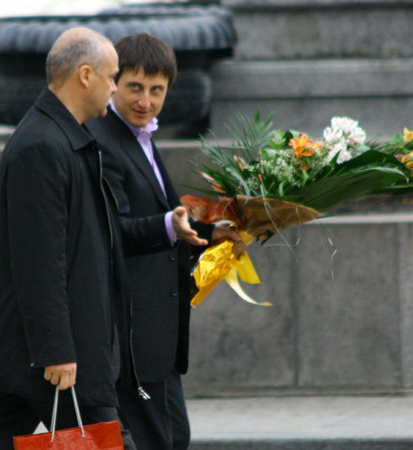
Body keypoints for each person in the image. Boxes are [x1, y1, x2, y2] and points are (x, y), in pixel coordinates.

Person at [0, 27, 137, 449]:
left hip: (47, 351)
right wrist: (56, 350)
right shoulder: (42, 146)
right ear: (86, 75)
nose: (115, 89)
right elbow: (39, 259)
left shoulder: (61, 139)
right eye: (112, 77)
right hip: (56, 357)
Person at [86, 33, 240, 450]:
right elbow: (112, 231)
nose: (146, 102)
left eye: (157, 91)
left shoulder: (141, 137)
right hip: (132, 336)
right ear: (114, 82)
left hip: (159, 336)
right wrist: (170, 226)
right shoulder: (102, 142)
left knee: (173, 438)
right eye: (135, 87)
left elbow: (171, 219)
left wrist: (215, 234)